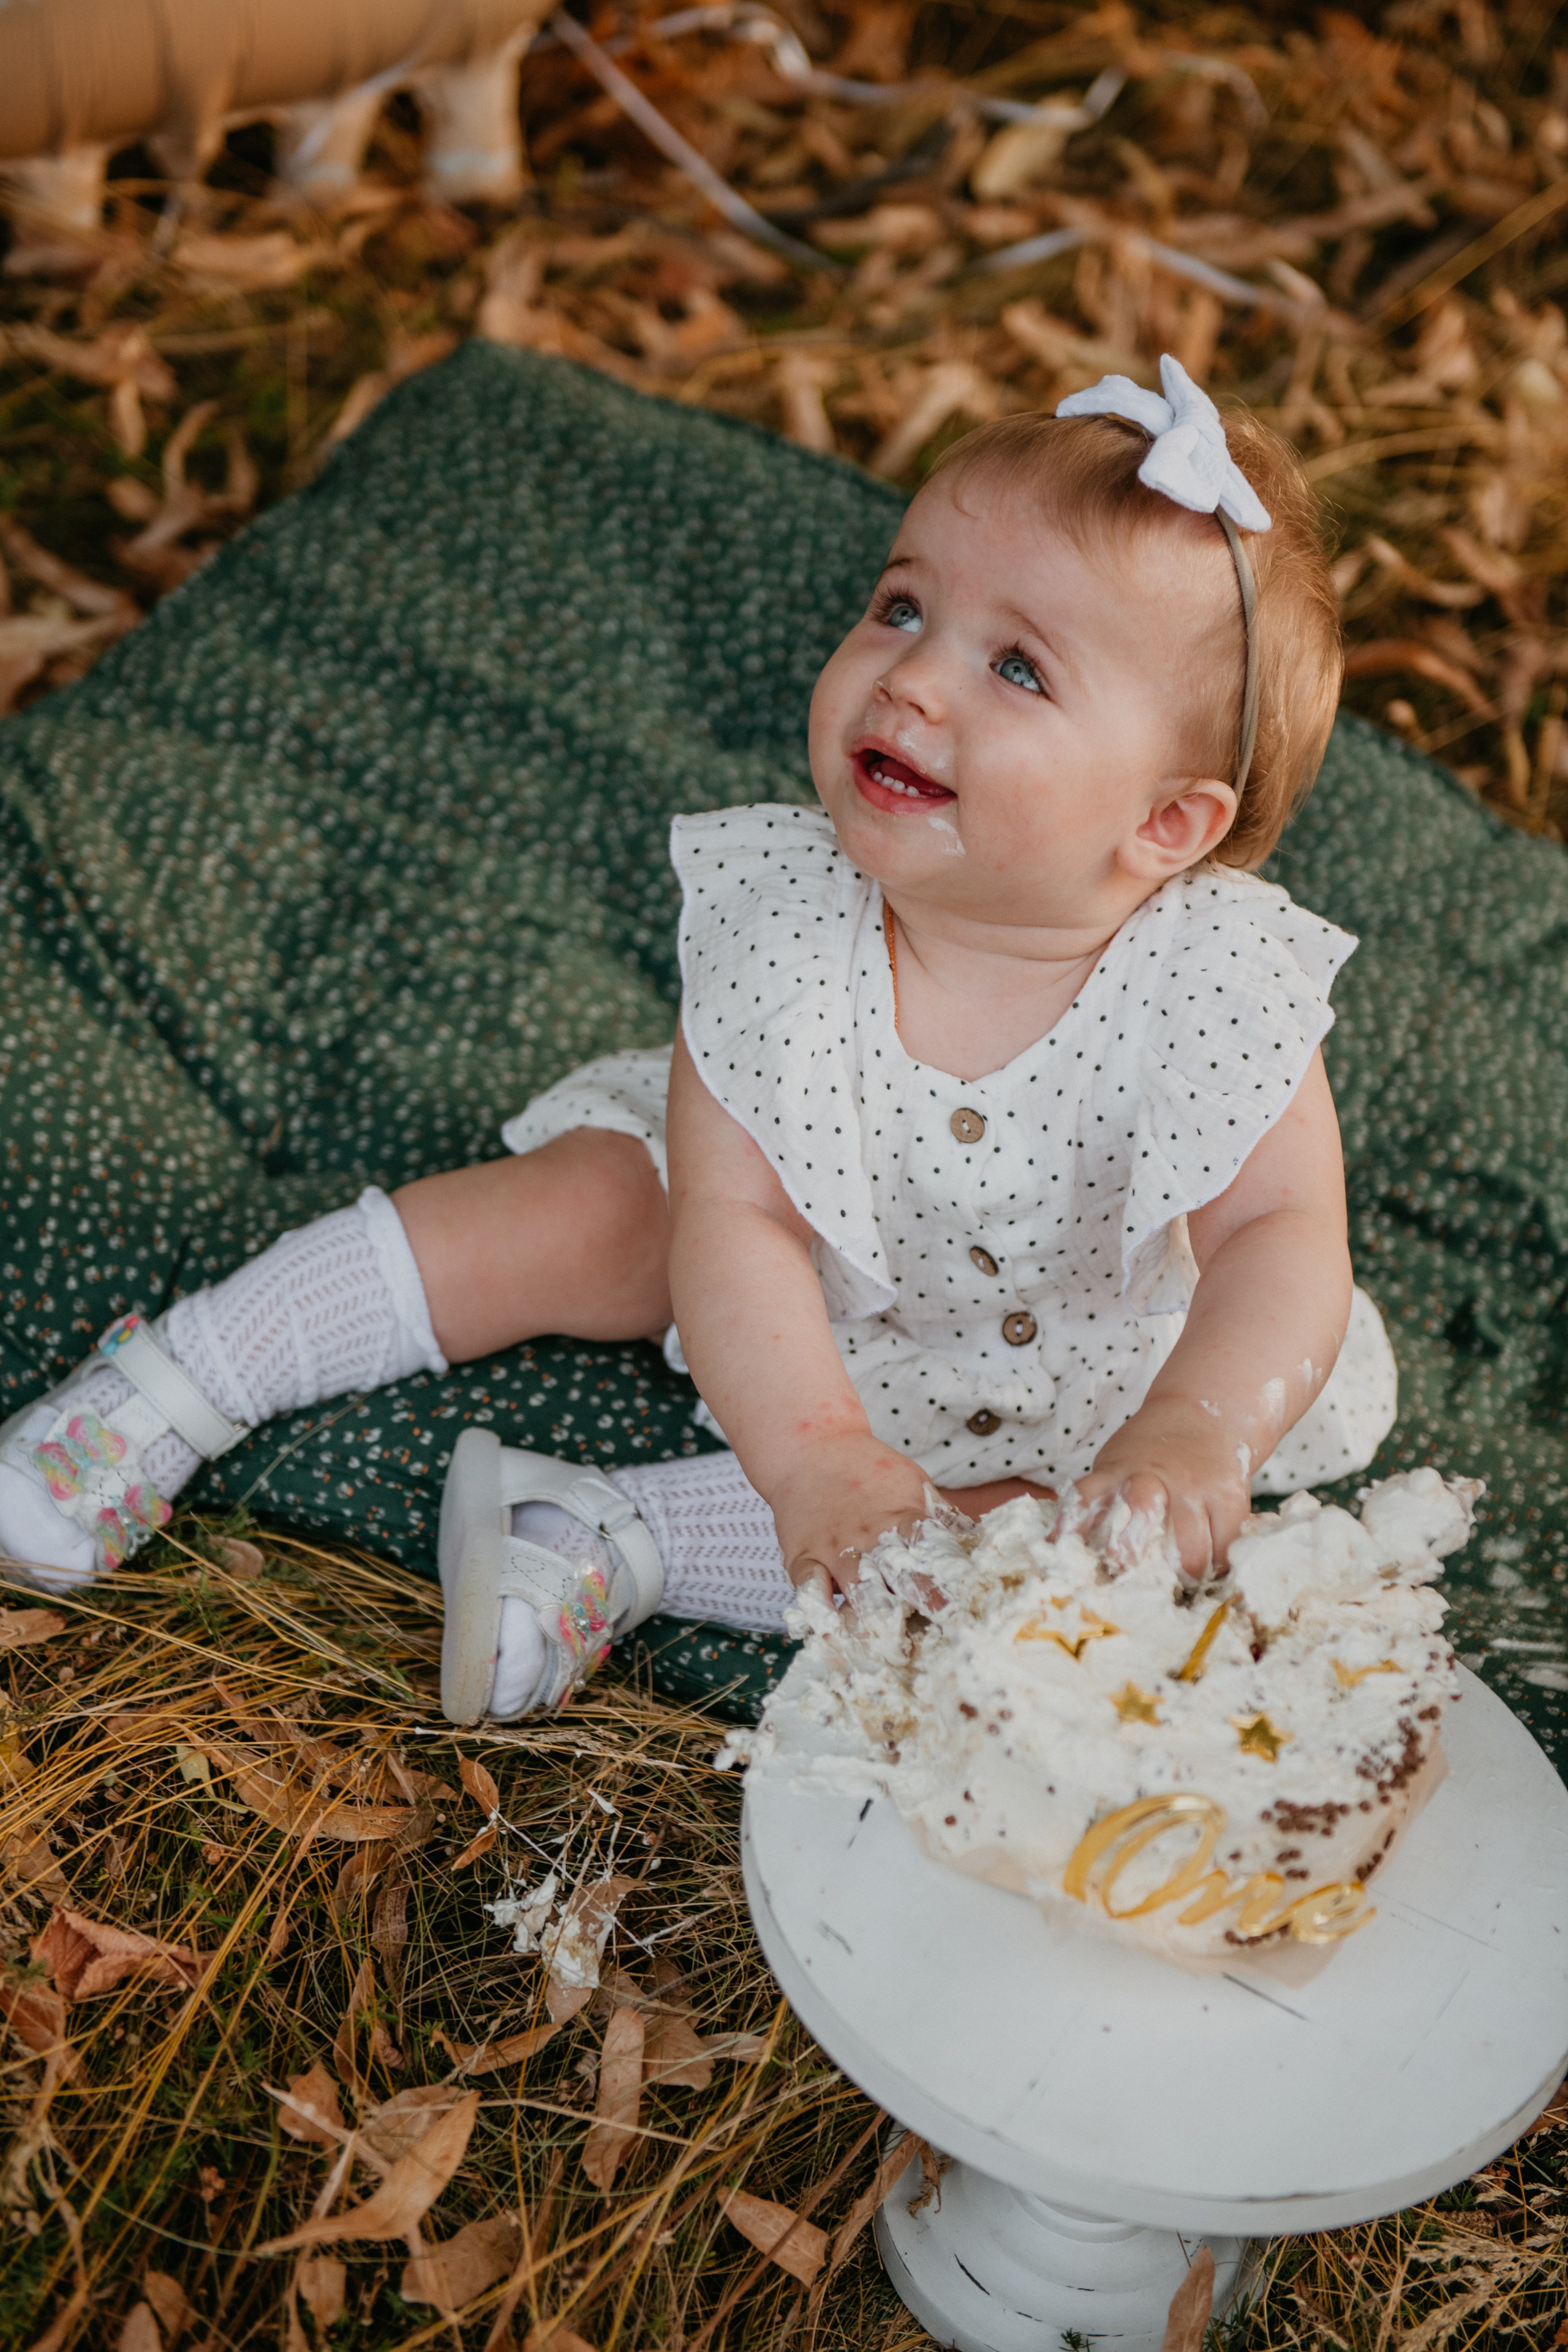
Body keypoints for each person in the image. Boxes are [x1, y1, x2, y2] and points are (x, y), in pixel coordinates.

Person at [0, 358, 1397, 1723]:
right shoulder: (785, 925)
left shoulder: (1221, 980)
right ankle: (186, 1378)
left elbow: (1281, 1235)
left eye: (1018, 667)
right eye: (902, 607)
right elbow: (737, 1226)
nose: (912, 680)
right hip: (776, 1277)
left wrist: (1198, 1426)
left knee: (1058, 1537)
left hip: (1074, 1355)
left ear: (1165, 824)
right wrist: (815, 1453)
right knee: (599, 1210)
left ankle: (610, 1537)